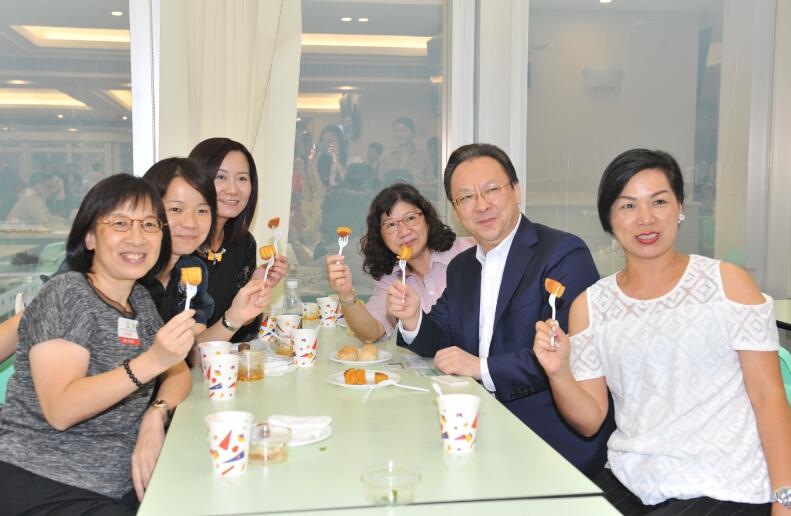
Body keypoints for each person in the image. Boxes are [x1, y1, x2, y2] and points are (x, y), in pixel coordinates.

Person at [533, 149, 791, 514]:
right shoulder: (590, 306)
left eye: (659, 201)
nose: (646, 219)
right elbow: (590, 420)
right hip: (633, 476)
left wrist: (785, 498)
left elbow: (768, 396)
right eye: (628, 206)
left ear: (680, 207)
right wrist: (559, 373)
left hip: (724, 481)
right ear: (609, 218)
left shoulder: (729, 285)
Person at [386, 143, 612, 477]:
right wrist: (412, 317)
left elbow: (568, 355)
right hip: (476, 429)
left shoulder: (563, 253)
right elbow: (440, 338)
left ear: (516, 191)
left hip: (547, 443)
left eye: (491, 189)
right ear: (456, 210)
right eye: (466, 197)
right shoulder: (462, 267)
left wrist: (480, 367)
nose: (481, 205)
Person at [0, 174, 196, 513]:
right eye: (120, 223)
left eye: (149, 224)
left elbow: (178, 373)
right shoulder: (68, 294)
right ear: (90, 237)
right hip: (45, 478)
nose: (137, 237)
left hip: (118, 482)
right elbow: (61, 410)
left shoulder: (139, 300)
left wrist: (156, 414)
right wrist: (151, 361)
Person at [142, 158, 273, 354]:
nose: (190, 222)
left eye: (202, 210)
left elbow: (192, 354)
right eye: (176, 209)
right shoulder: (129, 274)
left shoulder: (191, 270)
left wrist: (234, 317)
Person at [326, 183, 473, 342]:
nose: (404, 231)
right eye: (391, 225)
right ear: (380, 236)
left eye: (410, 218)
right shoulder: (391, 278)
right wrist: (346, 295)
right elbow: (371, 333)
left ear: (427, 219)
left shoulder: (466, 252)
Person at [188, 137, 287, 342]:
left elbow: (242, 330)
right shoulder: (179, 248)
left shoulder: (243, 243)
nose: (232, 190)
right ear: (196, 181)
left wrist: (255, 286)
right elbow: (183, 350)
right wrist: (232, 319)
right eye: (220, 177)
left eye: (242, 178)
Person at [378, 116, 435, 198]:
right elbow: (380, 183)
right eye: (396, 131)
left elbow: (431, 183)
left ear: (412, 133)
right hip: (393, 200)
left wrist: (416, 182)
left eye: (403, 130)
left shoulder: (423, 155)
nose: (399, 134)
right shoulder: (386, 156)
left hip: (417, 200)